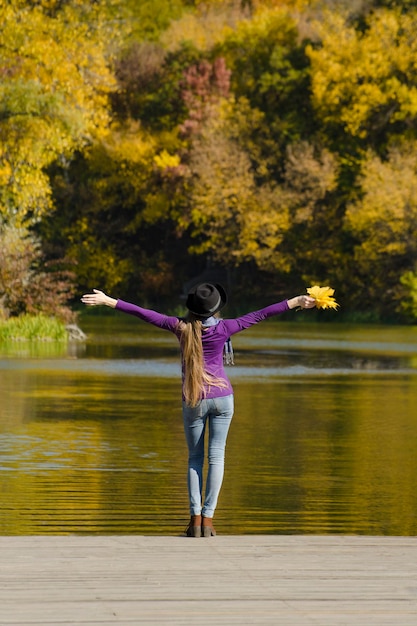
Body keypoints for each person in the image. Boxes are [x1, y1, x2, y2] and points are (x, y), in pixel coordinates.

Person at [81, 283, 316, 537]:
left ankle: (194, 521)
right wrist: (295, 301)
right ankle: (208, 521)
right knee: (217, 458)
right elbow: (261, 314)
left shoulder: (180, 327)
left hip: (194, 399)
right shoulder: (226, 328)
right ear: (215, 309)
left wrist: (109, 301)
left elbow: (145, 314)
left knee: (195, 459)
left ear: (191, 308)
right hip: (224, 399)